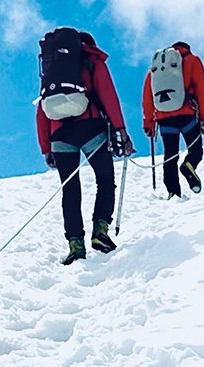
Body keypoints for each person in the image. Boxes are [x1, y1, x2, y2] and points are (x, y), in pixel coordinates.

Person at [36, 28, 134, 265]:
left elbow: (42, 109)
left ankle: (75, 244)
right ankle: (100, 231)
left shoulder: (51, 68)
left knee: (70, 190)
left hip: (59, 134)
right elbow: (108, 96)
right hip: (90, 127)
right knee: (104, 179)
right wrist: (121, 130)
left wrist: (46, 147)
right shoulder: (93, 62)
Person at [142, 41, 204, 198]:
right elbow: (201, 89)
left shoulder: (156, 68)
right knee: (196, 150)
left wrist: (149, 123)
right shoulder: (193, 60)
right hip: (187, 114)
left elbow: (147, 96)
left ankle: (173, 192)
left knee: (170, 155)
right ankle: (189, 166)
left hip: (165, 118)